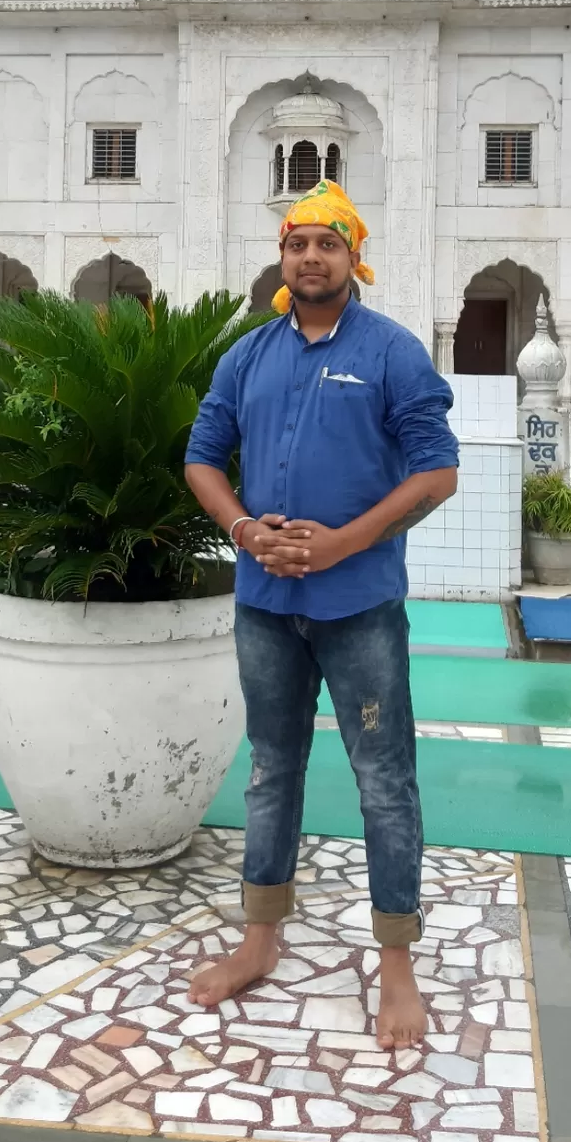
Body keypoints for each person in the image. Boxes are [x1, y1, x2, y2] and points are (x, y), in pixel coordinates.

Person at [184, 180, 458, 1050]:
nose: (311, 258)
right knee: (272, 771)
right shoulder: (250, 354)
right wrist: (240, 527)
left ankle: (398, 971)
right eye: (298, 242)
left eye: (327, 245)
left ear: (353, 257)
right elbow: (200, 459)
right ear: (282, 255)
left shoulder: (392, 353)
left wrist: (342, 544)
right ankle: (259, 939)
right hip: (265, 604)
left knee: (384, 782)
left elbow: (436, 473)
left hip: (357, 606)